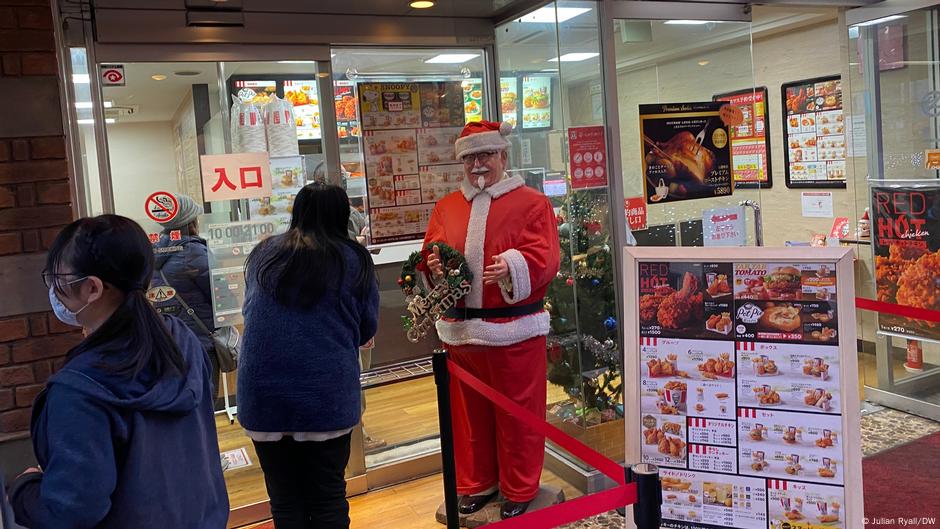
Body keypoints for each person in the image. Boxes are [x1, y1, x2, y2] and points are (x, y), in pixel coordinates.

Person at [9, 215, 228, 529]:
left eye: (56, 277)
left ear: (93, 288)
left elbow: (72, 509)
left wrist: (24, 490)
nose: (54, 288)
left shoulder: (80, 388)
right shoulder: (182, 341)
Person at [422, 120, 560, 519]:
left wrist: (512, 266)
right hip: (461, 333)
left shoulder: (534, 203)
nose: (477, 164)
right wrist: (432, 266)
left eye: (485, 155)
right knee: (468, 417)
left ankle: (519, 487)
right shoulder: (445, 207)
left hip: (514, 331)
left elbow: (546, 256)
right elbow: (430, 253)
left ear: (503, 155)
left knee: (518, 415)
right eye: (469, 157)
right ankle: (477, 483)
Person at [238, 184, 379, 529]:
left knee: (284, 499)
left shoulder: (264, 253)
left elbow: (250, 311)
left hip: (261, 397)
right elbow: (365, 329)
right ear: (343, 215)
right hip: (324, 395)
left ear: (296, 211)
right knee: (328, 496)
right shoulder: (353, 259)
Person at [149, 193, 221, 399]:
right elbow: (219, 297)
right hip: (200, 341)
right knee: (205, 400)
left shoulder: (154, 251)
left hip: (169, 339)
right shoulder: (193, 253)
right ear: (190, 220)